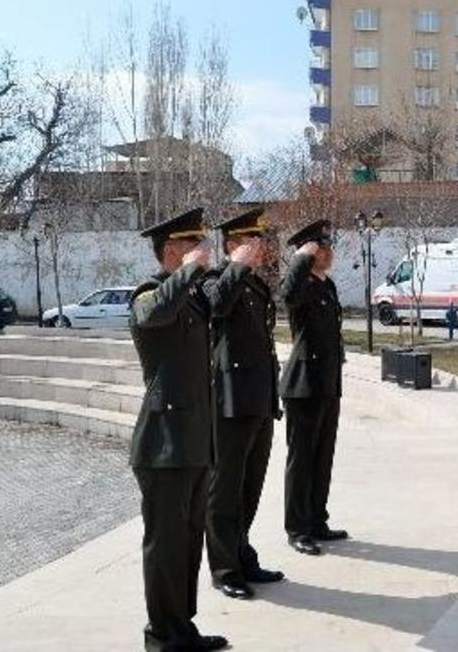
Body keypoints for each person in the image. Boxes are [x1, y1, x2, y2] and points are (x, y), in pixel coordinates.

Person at [128, 207, 228, 652]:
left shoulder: (191, 296)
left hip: (194, 440)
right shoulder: (148, 295)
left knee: (188, 544)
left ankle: (182, 627)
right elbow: (153, 317)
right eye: (193, 244)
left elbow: (221, 300)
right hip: (163, 445)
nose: (202, 250)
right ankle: (161, 636)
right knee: (165, 545)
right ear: (172, 250)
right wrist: (186, 274)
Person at [203, 209, 284, 601]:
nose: (261, 247)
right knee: (225, 490)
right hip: (231, 400)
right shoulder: (217, 279)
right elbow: (216, 307)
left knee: (250, 486)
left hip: (258, 397)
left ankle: (242, 552)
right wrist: (235, 267)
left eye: (261, 240)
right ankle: (224, 568)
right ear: (233, 244)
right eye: (252, 241)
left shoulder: (254, 284)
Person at [279, 219, 348, 556]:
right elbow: (287, 295)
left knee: (323, 457)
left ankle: (317, 519)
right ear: (310, 251)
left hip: (327, 381)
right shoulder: (301, 284)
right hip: (303, 384)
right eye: (322, 247)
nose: (329, 251)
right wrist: (300, 259)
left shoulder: (327, 285)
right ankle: (297, 528)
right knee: (302, 459)